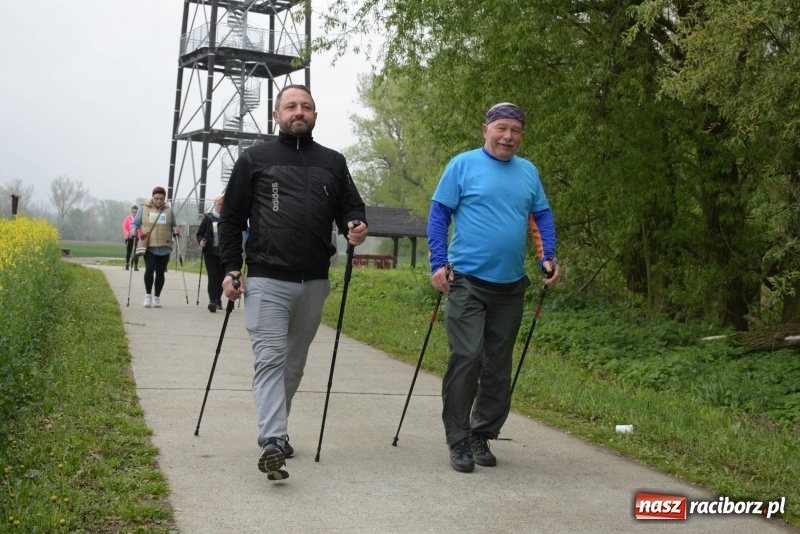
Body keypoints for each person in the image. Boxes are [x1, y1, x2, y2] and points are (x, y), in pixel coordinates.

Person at [219, 84, 368, 481]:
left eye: (306, 106)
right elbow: (231, 220)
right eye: (291, 106)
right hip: (267, 279)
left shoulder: (333, 162)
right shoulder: (254, 159)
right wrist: (231, 269)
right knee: (270, 359)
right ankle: (272, 441)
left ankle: (277, 432)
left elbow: (350, 206)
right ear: (276, 115)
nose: (298, 112)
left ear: (315, 115)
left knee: (294, 364)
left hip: (315, 280)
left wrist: (355, 224)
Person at [427, 102, 560, 473]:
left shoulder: (528, 172)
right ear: (485, 129)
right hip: (467, 280)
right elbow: (439, 214)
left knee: (498, 366)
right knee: (468, 356)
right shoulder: (463, 164)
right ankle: (457, 438)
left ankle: (480, 433)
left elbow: (542, 215)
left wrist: (547, 255)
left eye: (515, 131)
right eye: (501, 128)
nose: (508, 136)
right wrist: (438, 262)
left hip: (510, 285)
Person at [130, 186, 182, 308]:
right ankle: (148, 295)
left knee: (160, 272)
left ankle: (157, 296)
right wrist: (133, 229)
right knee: (150, 269)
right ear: (152, 197)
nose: (158, 201)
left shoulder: (169, 210)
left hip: (165, 246)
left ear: (165, 199)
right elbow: (135, 223)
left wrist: (176, 230)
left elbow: (174, 225)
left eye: (161, 199)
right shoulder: (144, 209)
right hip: (149, 245)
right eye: (156, 198)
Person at [196, 194, 225, 313]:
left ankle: (218, 299)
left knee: (222, 277)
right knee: (213, 277)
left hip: (224, 253)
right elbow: (199, 233)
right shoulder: (208, 218)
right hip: (210, 252)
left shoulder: (228, 218)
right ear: (215, 204)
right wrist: (201, 241)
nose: (222, 206)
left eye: (224, 204)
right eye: (220, 204)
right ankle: (212, 301)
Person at [122, 205, 140, 271]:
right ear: (131, 211)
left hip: (137, 237)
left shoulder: (139, 219)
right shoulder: (128, 219)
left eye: (136, 212)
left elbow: (140, 228)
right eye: (134, 212)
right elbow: (125, 228)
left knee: (136, 252)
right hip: (129, 237)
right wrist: (127, 235)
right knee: (129, 251)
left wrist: (140, 236)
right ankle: (127, 264)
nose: (135, 213)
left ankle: (135, 265)